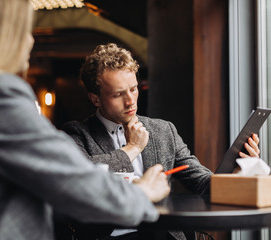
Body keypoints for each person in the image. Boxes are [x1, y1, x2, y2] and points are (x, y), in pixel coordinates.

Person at [0, 1, 172, 240]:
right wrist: (142, 193)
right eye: (24, 30)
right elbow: (73, 182)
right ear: (2, 35)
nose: (30, 41)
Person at [63, 43, 260, 240]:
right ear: (95, 99)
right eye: (118, 94)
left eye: (133, 89)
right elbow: (81, 177)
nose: (130, 100)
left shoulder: (163, 131)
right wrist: (132, 148)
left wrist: (235, 174)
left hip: (162, 234)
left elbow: (202, 183)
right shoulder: (77, 134)